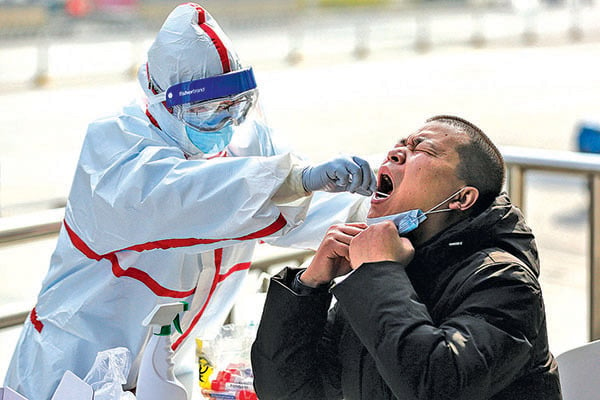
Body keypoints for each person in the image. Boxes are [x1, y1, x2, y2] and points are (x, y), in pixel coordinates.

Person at [3, 3, 376, 400]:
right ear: (160, 100)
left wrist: (387, 212)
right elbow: (186, 197)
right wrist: (298, 178)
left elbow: (301, 212)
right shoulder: (115, 151)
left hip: (167, 368)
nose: (224, 121)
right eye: (204, 109)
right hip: (73, 375)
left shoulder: (247, 147)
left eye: (235, 105)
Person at [251, 115, 563, 400]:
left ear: (462, 198)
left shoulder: (505, 282)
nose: (396, 154)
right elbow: (286, 393)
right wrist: (309, 288)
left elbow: (437, 387)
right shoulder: (386, 273)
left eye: (422, 151)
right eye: (399, 146)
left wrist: (379, 271)